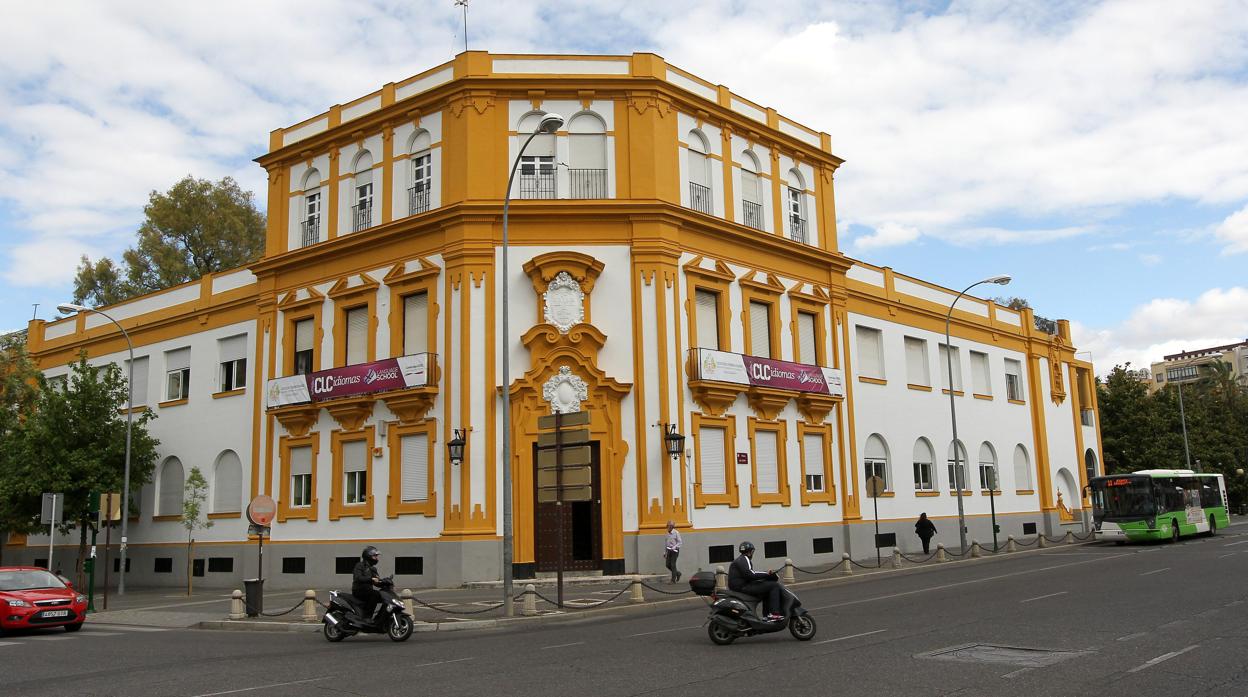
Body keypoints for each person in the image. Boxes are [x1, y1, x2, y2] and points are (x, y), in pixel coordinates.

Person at [728, 541, 783, 621]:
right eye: (752, 551)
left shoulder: (740, 559)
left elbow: (749, 575)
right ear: (750, 552)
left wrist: (763, 577)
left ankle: (767, 615)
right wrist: (767, 574)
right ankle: (774, 614)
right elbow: (751, 574)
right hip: (743, 587)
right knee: (774, 586)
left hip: (739, 586)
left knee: (766, 589)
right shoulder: (744, 559)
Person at [352, 546, 383, 617]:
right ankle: (367, 617)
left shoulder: (373, 568)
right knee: (375, 595)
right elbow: (358, 578)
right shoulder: (359, 566)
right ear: (368, 556)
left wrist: (385, 583)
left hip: (368, 591)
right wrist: (371, 579)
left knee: (383, 595)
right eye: (375, 556)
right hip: (359, 591)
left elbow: (377, 581)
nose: (377, 558)